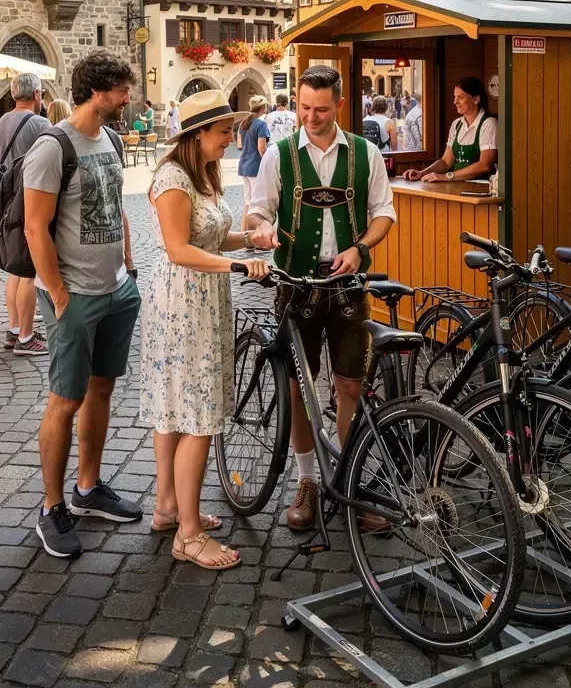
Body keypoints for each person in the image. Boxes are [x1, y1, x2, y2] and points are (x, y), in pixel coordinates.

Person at [247, 65, 396, 532]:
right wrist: (263, 229)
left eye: (322, 109)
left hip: (349, 289)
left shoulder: (365, 153)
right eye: (305, 108)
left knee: (350, 386)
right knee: (298, 388)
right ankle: (307, 480)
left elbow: (384, 212)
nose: (311, 117)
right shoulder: (280, 155)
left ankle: (350, 479)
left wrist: (361, 248)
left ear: (340, 104)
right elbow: (256, 211)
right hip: (297, 287)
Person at [140, 90, 269, 569]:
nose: (230, 140)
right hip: (183, 300)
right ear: (197, 135)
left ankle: (169, 507)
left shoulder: (205, 175)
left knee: (177, 406)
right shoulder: (173, 177)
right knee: (196, 411)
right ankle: (188, 535)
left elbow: (210, 236)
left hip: (202, 295)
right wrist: (237, 267)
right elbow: (178, 249)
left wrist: (252, 240)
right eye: (223, 133)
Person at [24, 49, 142, 558]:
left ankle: (88, 489)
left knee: (101, 390)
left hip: (116, 288)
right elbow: (34, 225)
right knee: (65, 400)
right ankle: (52, 508)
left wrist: (129, 267)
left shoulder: (111, 139)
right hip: (74, 294)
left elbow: (118, 207)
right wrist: (56, 291)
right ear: (97, 91)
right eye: (120, 90)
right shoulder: (52, 147)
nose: (126, 99)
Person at [0, 74, 51, 355]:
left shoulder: (3, 120)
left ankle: (14, 329)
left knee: (15, 268)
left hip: (6, 200)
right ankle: (27, 339)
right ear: (38, 94)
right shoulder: (40, 123)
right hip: (30, 198)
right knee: (29, 268)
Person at [403, 76, 497, 182]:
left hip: (481, 189)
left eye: (460, 97)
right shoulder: (457, 124)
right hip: (458, 187)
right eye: (455, 97)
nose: (455, 102)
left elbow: (484, 165)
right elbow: (446, 161)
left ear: (476, 99)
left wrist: (447, 176)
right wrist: (422, 173)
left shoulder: (489, 123)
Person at [237, 94, 269, 230]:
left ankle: (246, 237)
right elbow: (262, 148)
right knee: (256, 205)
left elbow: (239, 145)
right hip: (255, 166)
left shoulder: (243, 123)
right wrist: (269, 163)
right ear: (263, 107)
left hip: (244, 165)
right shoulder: (261, 124)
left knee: (247, 203)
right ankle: (254, 236)